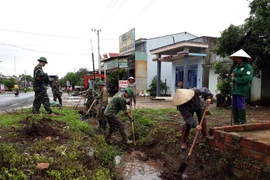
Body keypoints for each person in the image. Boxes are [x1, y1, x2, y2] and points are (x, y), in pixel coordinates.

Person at [230, 49, 253, 125]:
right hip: (235, 89)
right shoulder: (236, 67)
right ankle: (236, 121)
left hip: (242, 90)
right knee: (235, 106)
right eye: (235, 58)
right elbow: (233, 76)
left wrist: (235, 79)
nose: (235, 59)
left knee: (241, 106)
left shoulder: (248, 67)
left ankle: (243, 122)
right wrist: (232, 78)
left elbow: (247, 78)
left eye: (237, 57)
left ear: (241, 58)